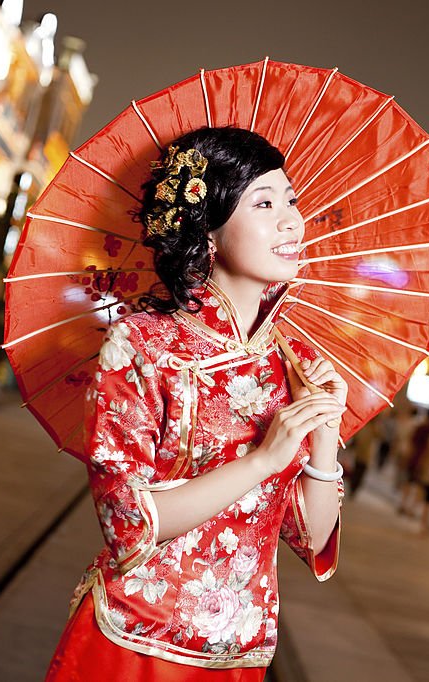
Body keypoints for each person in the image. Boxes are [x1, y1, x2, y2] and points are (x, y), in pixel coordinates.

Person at [47, 127, 348, 680]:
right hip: (133, 644)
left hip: (240, 655)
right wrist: (263, 459)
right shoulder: (140, 344)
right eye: (264, 203)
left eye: (291, 201)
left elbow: (312, 538)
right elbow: (129, 524)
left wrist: (323, 434)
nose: (291, 221)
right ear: (207, 228)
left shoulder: (296, 361)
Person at [398, 408, 429, 515]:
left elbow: (412, 443)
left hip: (415, 458)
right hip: (428, 462)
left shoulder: (421, 428)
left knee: (409, 483)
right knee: (420, 487)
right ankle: (412, 508)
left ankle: (403, 504)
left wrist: (407, 457)